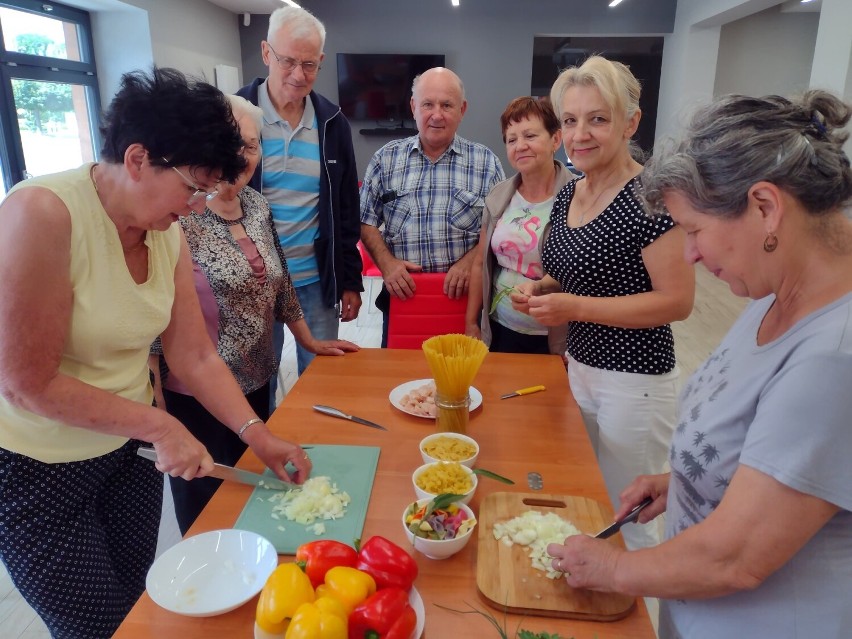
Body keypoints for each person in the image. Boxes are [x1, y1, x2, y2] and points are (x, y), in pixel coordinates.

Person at [0, 68, 313, 639]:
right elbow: (26, 383)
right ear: (139, 158)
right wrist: (161, 425)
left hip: (126, 454)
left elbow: (193, 356)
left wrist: (256, 434)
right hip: (37, 471)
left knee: (137, 608)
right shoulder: (42, 214)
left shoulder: (164, 231)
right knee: (92, 625)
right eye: (193, 186)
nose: (197, 206)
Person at [545, 90, 852, 639]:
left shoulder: (834, 357)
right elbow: (775, 455)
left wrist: (612, 567)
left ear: (765, 207)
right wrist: (686, 481)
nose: (688, 254)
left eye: (693, 231)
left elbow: (738, 557)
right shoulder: (772, 291)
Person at [151, 95, 358, 535]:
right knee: (210, 510)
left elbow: (280, 283)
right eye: (235, 143)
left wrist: (308, 340)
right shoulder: (178, 216)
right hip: (197, 393)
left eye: (253, 144)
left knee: (254, 499)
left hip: (258, 378)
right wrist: (155, 397)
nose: (243, 156)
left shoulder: (257, 205)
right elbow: (156, 310)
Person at [511, 56, 694, 551]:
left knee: (629, 514)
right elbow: (570, 272)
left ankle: (634, 617)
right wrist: (542, 288)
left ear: (630, 122)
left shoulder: (651, 196)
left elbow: (677, 301)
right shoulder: (576, 190)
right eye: (570, 121)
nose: (580, 134)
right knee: (586, 496)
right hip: (580, 367)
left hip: (633, 380)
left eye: (598, 118)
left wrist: (576, 308)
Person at [237, 5, 363, 400]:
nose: (297, 74)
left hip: (314, 278)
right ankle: (263, 454)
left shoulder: (332, 122)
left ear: (321, 61)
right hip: (251, 281)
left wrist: (350, 279)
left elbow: (345, 208)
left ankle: (320, 456)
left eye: (309, 64)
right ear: (265, 52)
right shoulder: (235, 115)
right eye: (287, 61)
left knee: (323, 379)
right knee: (257, 381)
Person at [359, 67, 505, 346]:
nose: (436, 114)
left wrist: (469, 262)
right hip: (403, 301)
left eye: (447, 105)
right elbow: (365, 221)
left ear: (462, 110)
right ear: (414, 107)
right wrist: (387, 265)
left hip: (465, 305)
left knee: (466, 384)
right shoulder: (385, 159)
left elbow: (500, 229)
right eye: (428, 104)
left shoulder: (486, 163)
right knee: (400, 382)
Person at [465, 96, 573, 355]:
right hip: (500, 329)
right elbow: (480, 262)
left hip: (556, 336)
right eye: (512, 140)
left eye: (530, 136)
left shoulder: (578, 196)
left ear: (555, 140)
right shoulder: (499, 196)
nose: (520, 146)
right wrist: (471, 321)